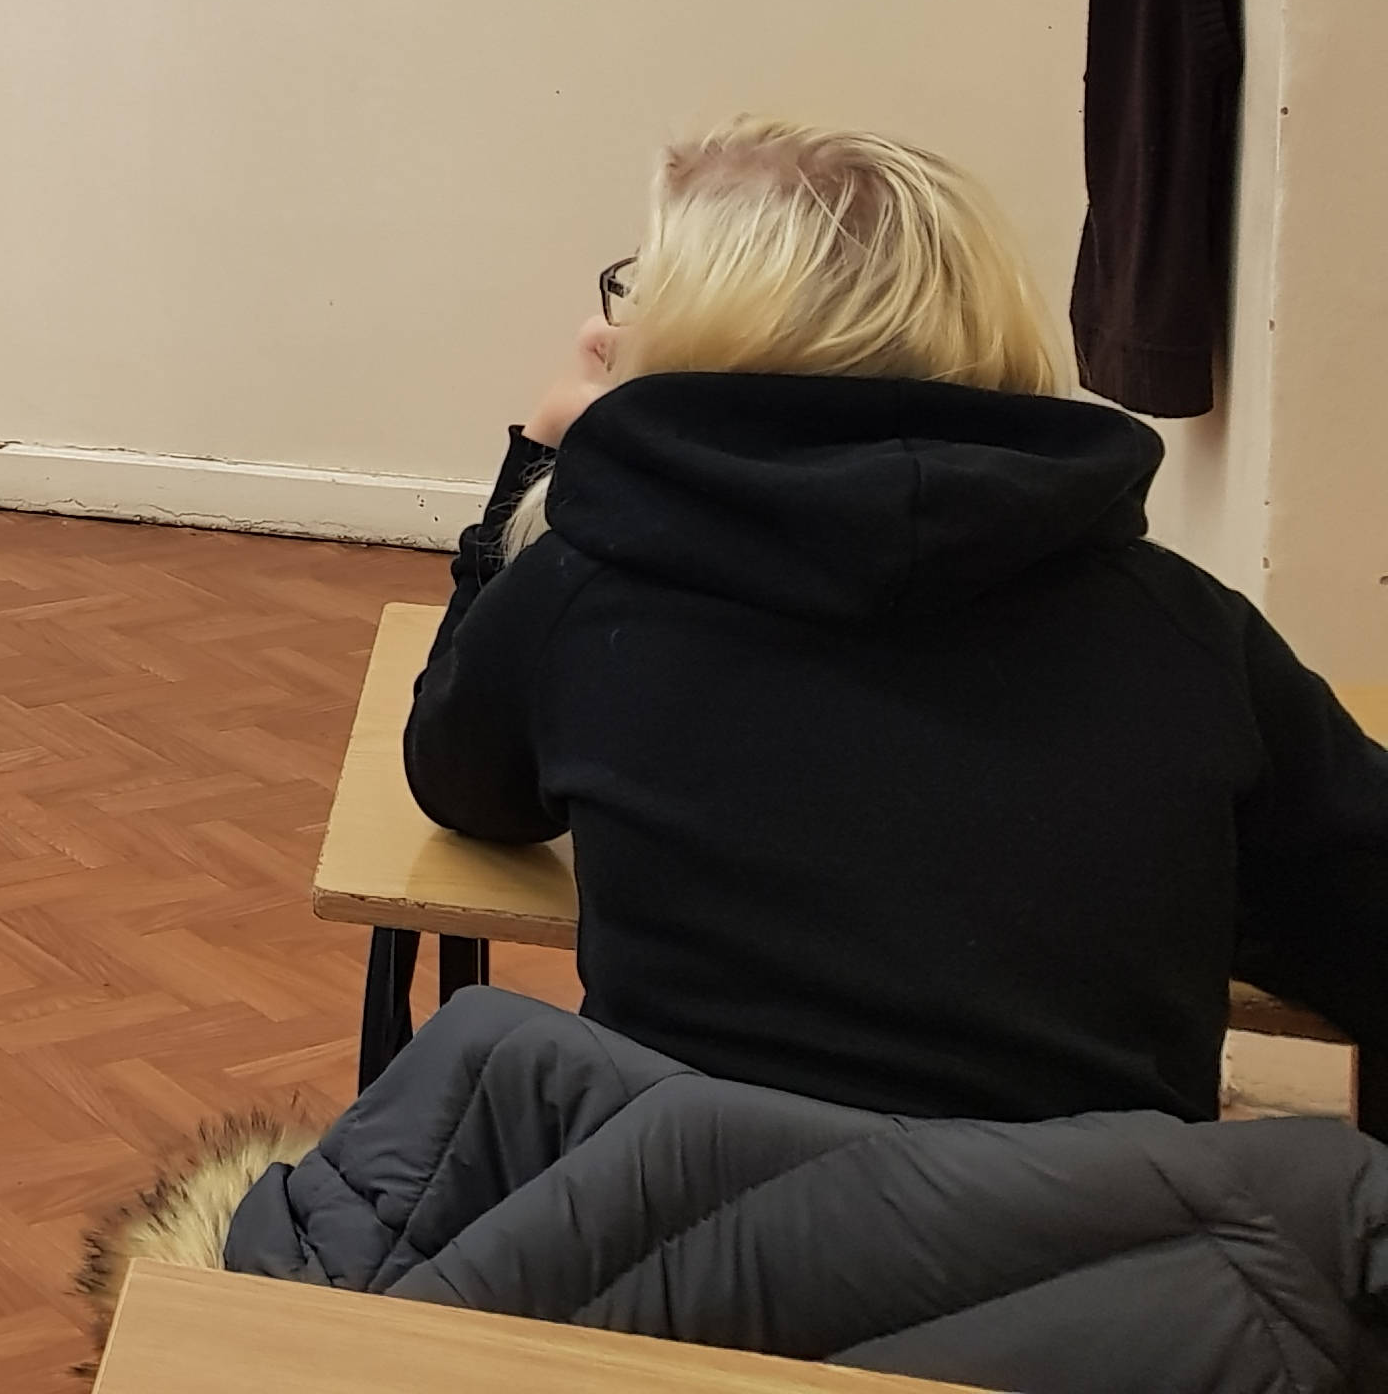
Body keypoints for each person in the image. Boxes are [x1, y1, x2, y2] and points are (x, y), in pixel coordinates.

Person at [407, 115, 1388, 1124]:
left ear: (700, 344)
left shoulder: (584, 594)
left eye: (641, 291)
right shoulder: (1185, 632)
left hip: (684, 1207)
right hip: (1102, 1218)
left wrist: (538, 464)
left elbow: (459, 780)